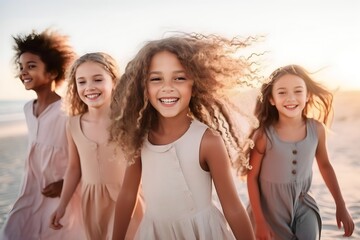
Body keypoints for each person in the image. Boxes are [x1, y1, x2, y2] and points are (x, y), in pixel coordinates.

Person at [109, 33, 262, 240]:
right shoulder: (139, 139)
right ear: (143, 87)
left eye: (179, 78)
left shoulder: (208, 141)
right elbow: (128, 195)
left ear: (195, 83)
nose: (167, 87)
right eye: (156, 79)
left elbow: (233, 207)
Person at [245, 64, 355, 239]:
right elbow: (251, 177)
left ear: (307, 96)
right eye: (282, 92)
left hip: (303, 205)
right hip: (268, 211)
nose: (291, 98)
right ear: (271, 99)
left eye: (298, 91)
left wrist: (341, 205)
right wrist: (259, 221)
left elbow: (325, 166)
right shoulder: (264, 135)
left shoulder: (316, 129)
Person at [0, 29, 85, 239]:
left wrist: (65, 184)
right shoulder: (28, 108)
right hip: (31, 188)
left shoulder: (68, 111)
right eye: (21, 67)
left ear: (52, 72)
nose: (23, 72)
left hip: (62, 190)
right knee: (14, 231)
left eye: (31, 66)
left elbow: (84, 155)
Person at [49, 52, 143, 240]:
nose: (89, 87)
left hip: (127, 200)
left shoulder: (129, 122)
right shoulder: (73, 124)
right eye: (81, 82)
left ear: (114, 82)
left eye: (97, 79)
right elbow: (74, 168)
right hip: (92, 204)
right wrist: (62, 206)